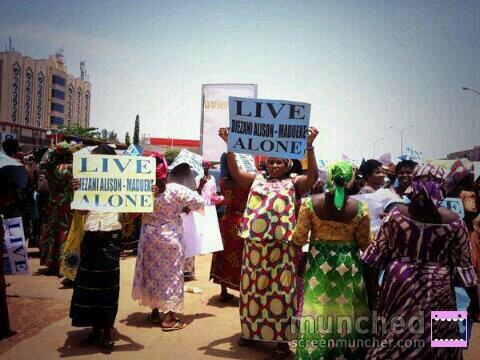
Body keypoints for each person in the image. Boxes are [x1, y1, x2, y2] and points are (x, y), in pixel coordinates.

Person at [219, 126, 319, 359]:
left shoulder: (294, 183)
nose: (274, 166)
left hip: (282, 248)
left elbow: (313, 177)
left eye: (279, 163)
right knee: (253, 291)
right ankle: (251, 332)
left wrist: (310, 146)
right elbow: (234, 173)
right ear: (266, 164)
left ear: (287, 165)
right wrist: (229, 144)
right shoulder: (256, 179)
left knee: (282, 293)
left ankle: (282, 342)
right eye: (271, 162)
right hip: (254, 247)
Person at [362, 165, 480, 359]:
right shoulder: (455, 221)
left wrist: (372, 292)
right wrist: (474, 304)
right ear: (441, 187)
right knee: (442, 343)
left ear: (413, 185)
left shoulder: (396, 215)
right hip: (440, 287)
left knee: (395, 338)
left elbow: (373, 257)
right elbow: (466, 269)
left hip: (399, 283)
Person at [293, 161, 373, 359]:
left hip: (318, 264)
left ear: (329, 178)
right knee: (346, 310)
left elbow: (298, 238)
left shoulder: (309, 203)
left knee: (317, 309)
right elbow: (365, 244)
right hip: (348, 266)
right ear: (349, 181)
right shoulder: (361, 207)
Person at [132, 159, 204, 331]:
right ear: (166, 175)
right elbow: (199, 202)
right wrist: (184, 207)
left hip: (150, 240)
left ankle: (155, 313)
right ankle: (170, 318)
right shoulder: (175, 189)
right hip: (171, 241)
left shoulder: (142, 192)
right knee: (172, 276)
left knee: (152, 275)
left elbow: (132, 214)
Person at [69, 144, 124, 354]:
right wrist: (76, 190)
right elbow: (82, 210)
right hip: (91, 233)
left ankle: (108, 331)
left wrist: (149, 195)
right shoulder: (85, 181)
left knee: (109, 284)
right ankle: (94, 329)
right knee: (89, 282)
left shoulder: (122, 183)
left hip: (111, 232)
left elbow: (135, 210)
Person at [209, 153, 249, 301]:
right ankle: (242, 291)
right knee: (240, 256)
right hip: (240, 221)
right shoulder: (244, 182)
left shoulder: (223, 182)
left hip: (226, 221)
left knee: (223, 255)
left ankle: (223, 291)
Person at [39, 143, 74, 274]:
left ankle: (52, 263)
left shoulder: (50, 169)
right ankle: (63, 265)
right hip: (66, 207)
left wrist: (54, 149)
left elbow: (43, 162)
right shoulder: (66, 169)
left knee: (53, 234)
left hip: (53, 207)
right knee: (65, 233)